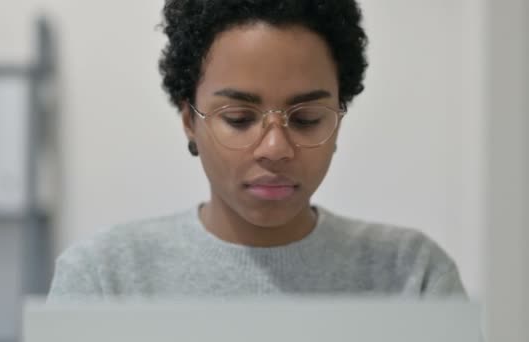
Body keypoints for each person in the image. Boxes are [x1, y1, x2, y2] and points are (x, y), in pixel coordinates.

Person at [48, 0, 466, 301]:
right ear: (190, 121)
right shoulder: (105, 278)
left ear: (339, 121)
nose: (274, 148)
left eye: (306, 119)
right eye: (238, 118)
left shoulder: (412, 276)